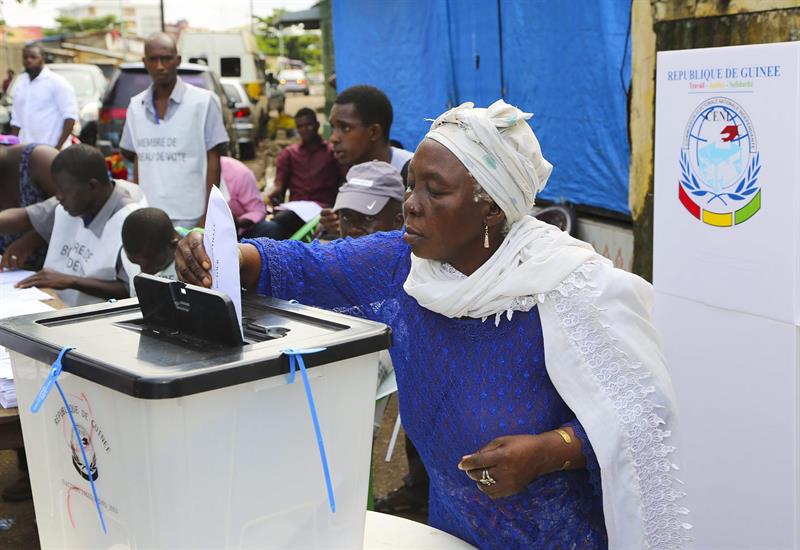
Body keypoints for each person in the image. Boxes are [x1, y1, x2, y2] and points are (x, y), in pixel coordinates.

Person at [177, 100, 689, 548]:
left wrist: (549, 452)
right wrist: (226, 255)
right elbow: (309, 267)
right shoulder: (404, 265)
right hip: (451, 529)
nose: (411, 206)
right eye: (410, 185)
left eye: (434, 192)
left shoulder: (570, 289)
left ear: (490, 208)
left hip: (556, 536)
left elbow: (643, 418)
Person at [0, 144, 145, 306]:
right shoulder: (70, 204)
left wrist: (71, 281)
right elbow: (26, 216)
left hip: (97, 320)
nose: (59, 197)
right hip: (53, 304)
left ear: (92, 186)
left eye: (64, 191)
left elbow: (129, 290)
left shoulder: (130, 219)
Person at [120, 32, 229, 228]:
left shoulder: (203, 102)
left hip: (192, 215)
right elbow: (138, 158)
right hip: (151, 216)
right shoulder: (136, 106)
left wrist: (207, 216)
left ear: (177, 60)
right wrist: (139, 209)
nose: (160, 66)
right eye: (153, 60)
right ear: (145, 62)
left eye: (166, 59)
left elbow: (214, 160)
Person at [319, 85, 413, 237]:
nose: (333, 138)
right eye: (333, 127)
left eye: (345, 127)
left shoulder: (413, 174)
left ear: (374, 131)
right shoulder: (352, 173)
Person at [261, 108, 342, 239]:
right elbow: (278, 186)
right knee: (272, 226)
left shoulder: (332, 152)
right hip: (295, 210)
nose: (305, 130)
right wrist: (261, 198)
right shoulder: (289, 154)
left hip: (323, 209)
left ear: (317, 125)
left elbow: (345, 180)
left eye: (308, 125)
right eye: (300, 126)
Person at [0, 143, 59, 270]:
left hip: (66, 274)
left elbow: (76, 204)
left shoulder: (40, 159)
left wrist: (35, 238)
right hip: (15, 277)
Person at [10, 43, 78, 149]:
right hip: (25, 150)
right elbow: (16, 120)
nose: (29, 60)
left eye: (33, 57)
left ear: (42, 58)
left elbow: (70, 118)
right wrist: (12, 148)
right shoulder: (21, 84)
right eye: (25, 57)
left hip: (50, 150)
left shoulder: (57, 82)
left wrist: (57, 147)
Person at [121, 207, 180, 288]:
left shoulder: (192, 261)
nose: (143, 271)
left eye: (150, 265)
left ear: (173, 246)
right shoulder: (127, 254)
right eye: (136, 263)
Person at [219, 156, 267, 238]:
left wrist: (236, 222)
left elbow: (257, 210)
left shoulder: (238, 172)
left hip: (237, 232)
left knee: (270, 228)